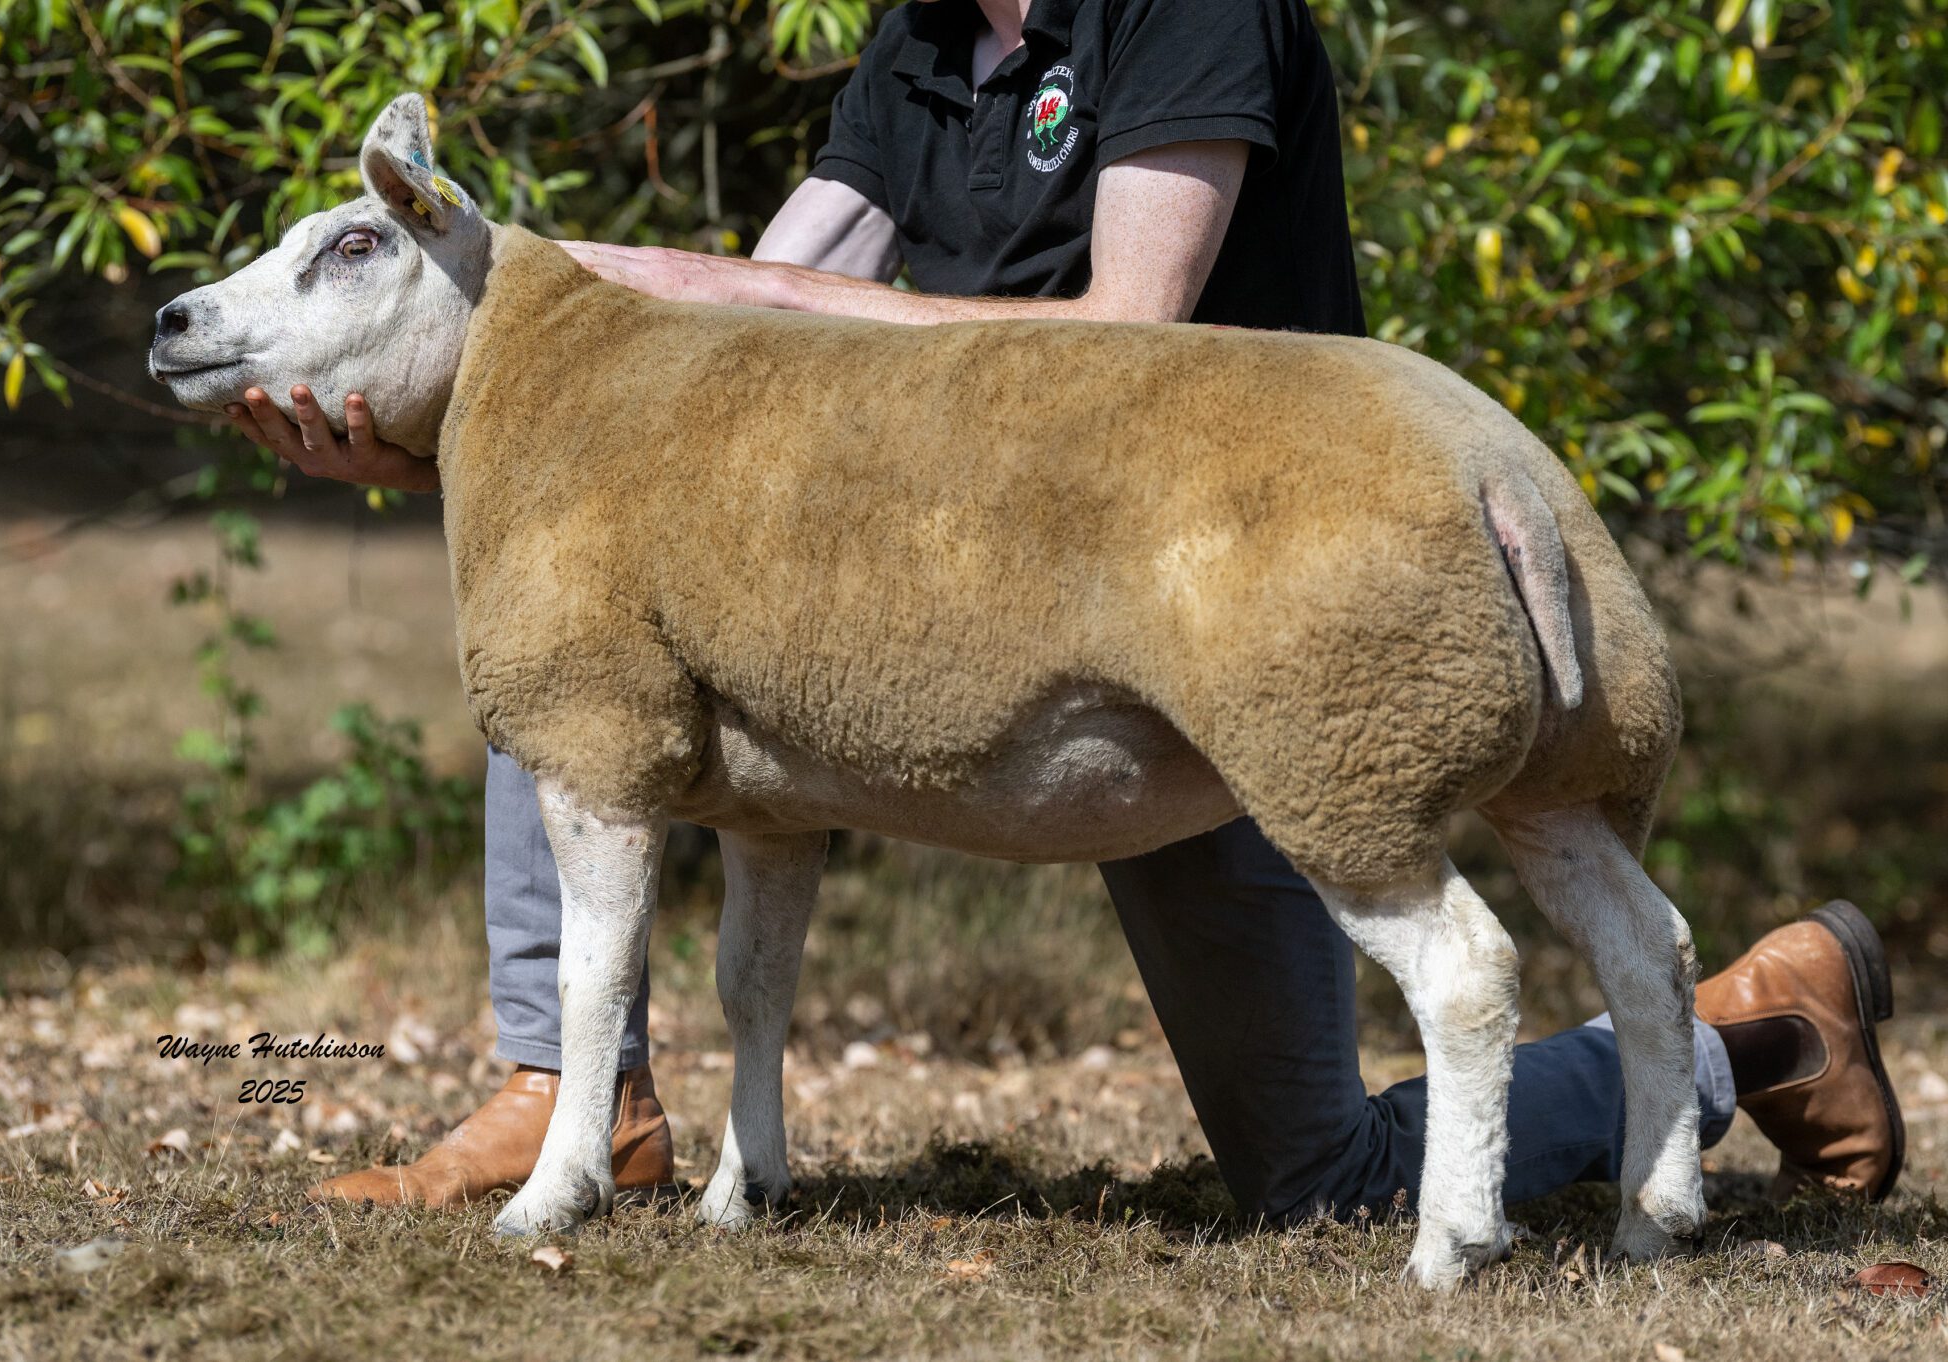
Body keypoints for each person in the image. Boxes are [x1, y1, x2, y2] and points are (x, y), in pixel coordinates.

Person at [238, 0, 1904, 1217]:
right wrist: (478, 399)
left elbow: (1122, 328)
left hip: (1225, 578)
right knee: (568, 626)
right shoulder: (920, 41)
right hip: (951, 591)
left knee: (1316, 1176)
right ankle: (575, 1088)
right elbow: (746, 325)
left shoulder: (1187, 10)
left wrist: (711, 289)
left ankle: (1740, 1033)